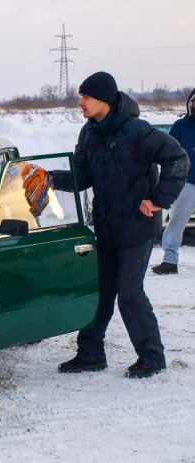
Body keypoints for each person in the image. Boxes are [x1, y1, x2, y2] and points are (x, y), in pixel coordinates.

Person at [54, 72, 189, 378]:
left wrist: (159, 200)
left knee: (129, 292)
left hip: (136, 228)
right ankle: (90, 354)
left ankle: (152, 357)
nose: (80, 103)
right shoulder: (89, 133)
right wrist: (47, 180)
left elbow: (178, 158)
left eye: (86, 97)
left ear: (104, 99)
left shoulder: (137, 131)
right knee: (99, 291)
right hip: (105, 226)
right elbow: (82, 176)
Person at [151, 89, 195, 275]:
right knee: (176, 222)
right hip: (186, 183)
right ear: (191, 103)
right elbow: (169, 155)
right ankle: (170, 261)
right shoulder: (180, 126)